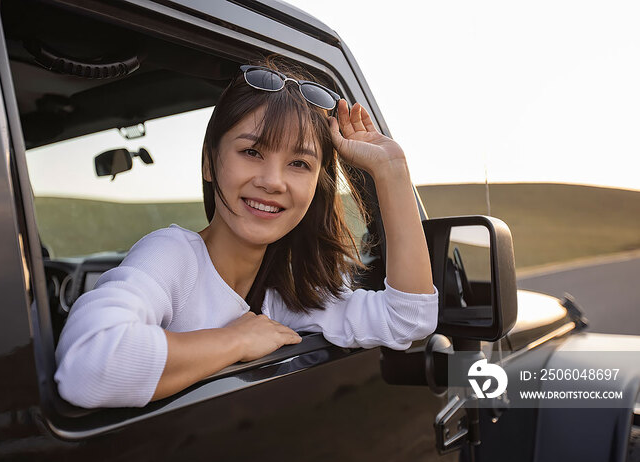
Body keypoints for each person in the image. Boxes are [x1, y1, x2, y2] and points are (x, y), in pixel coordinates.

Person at [54, 59, 439, 409]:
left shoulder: (289, 292)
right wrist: (236, 340)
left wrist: (391, 170)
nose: (272, 182)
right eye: (252, 152)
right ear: (210, 162)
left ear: (316, 186)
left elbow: (407, 320)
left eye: (299, 163)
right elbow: (89, 364)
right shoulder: (173, 255)